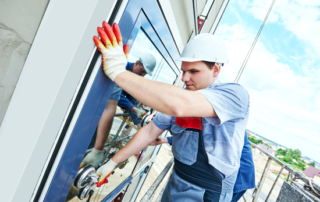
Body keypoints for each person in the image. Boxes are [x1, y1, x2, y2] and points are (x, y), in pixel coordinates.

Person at [92, 22, 250, 202]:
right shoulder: (183, 95)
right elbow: (150, 131)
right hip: (178, 178)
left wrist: (118, 72)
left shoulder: (234, 95)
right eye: (183, 71)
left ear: (216, 69)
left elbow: (179, 105)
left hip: (208, 190)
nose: (184, 78)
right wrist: (112, 162)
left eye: (193, 71)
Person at [80, 22, 157, 169]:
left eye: (145, 74)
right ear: (137, 63)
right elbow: (117, 97)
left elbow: (131, 101)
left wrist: (139, 123)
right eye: (142, 72)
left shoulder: (134, 81)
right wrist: (133, 109)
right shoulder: (119, 68)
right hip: (92, 112)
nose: (142, 75)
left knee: (90, 144)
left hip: (101, 118)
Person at [150, 130, 256, 201]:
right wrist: (166, 139)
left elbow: (204, 139)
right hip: (228, 175)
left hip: (238, 177)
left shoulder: (227, 123)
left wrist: (167, 139)